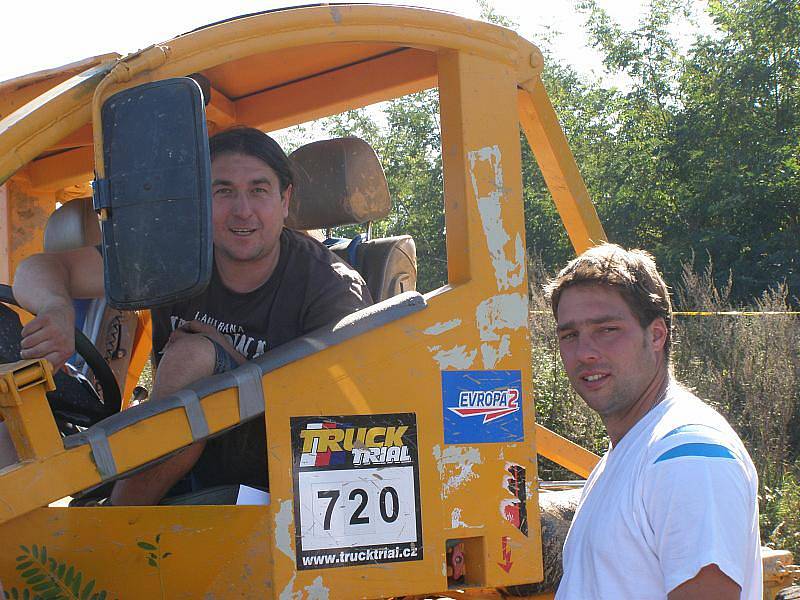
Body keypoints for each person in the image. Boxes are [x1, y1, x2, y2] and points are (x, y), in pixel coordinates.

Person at [10, 126, 372, 505]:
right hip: (177, 451)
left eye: (259, 190)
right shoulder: (175, 258)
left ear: (285, 200)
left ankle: (111, 529)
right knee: (19, 416)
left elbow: (339, 416)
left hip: (275, 463)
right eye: (224, 191)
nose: (243, 209)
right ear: (200, 199)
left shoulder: (329, 285)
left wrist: (227, 361)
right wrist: (57, 308)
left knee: (192, 356)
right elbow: (39, 269)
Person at [546, 243, 761, 600]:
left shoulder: (689, 454)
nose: (584, 352)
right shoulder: (630, 452)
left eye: (607, 329)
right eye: (570, 335)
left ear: (657, 335)